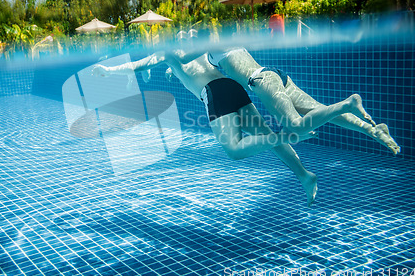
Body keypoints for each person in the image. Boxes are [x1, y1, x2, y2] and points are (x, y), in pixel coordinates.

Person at [92, 51, 319, 206]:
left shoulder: (168, 51)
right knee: (267, 137)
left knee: (234, 150)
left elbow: (137, 65)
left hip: (213, 92)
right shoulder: (197, 46)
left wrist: (109, 71)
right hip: (232, 86)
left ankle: (290, 133)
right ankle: (304, 175)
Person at [206, 47, 400, 155]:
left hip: (260, 80)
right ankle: (372, 129)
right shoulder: (228, 40)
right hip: (273, 74)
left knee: (297, 126)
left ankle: (348, 103)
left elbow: (189, 58)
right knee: (319, 110)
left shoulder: (212, 42)